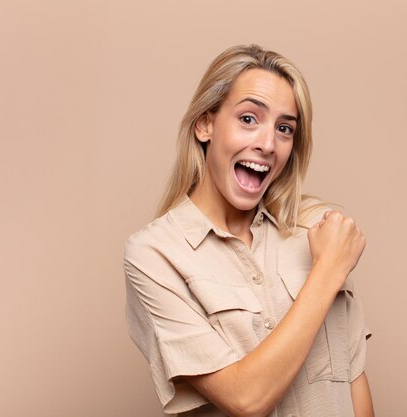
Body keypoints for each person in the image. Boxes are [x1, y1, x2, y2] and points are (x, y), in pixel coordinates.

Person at [123, 44, 374, 417]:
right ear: (205, 124)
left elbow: (355, 386)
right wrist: (327, 272)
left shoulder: (317, 230)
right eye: (248, 119)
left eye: (284, 128)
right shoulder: (156, 255)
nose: (268, 144)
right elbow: (246, 398)